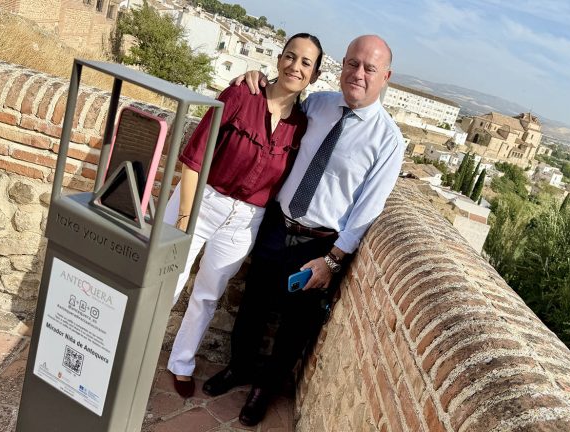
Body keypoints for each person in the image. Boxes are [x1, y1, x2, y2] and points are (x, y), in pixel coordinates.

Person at [202, 34, 404, 426]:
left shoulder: (388, 140)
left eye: (369, 68)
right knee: (253, 304)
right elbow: (278, 108)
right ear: (341, 66)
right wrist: (256, 79)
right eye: (352, 63)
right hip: (278, 224)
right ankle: (239, 368)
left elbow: (368, 209)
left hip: (320, 244)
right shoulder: (319, 104)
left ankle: (264, 390)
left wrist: (332, 260)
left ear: (386, 77)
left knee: (294, 327)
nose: (358, 74)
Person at [164, 33, 323, 399]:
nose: (294, 66)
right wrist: (185, 215)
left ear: (313, 76)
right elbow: (194, 155)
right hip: (202, 199)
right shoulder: (241, 95)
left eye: (305, 63)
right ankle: (132, 348)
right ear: (278, 59)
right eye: (290, 56)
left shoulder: (300, 124)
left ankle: (181, 363)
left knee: (207, 295)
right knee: (165, 282)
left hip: (243, 221)